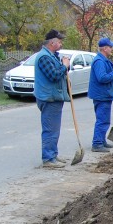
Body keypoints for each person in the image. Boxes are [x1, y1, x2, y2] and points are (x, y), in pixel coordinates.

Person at [33, 29, 70, 168]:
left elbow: (60, 72)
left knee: (55, 129)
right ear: (52, 42)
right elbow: (54, 75)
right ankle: (48, 159)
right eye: (59, 42)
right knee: (50, 129)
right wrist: (64, 66)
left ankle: (53, 154)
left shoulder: (52, 56)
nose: (61, 44)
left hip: (54, 97)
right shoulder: (44, 57)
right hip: (48, 98)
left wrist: (65, 65)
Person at [88, 37, 113, 152]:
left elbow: (108, 79)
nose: (112, 49)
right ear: (105, 48)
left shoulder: (104, 60)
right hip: (101, 96)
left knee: (104, 119)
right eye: (110, 47)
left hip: (105, 94)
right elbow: (102, 78)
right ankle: (97, 144)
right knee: (102, 120)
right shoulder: (99, 61)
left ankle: (102, 141)